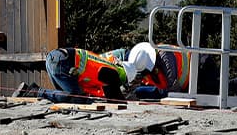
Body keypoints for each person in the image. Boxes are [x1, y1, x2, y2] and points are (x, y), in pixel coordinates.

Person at [23, 43, 151, 103]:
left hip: (56, 57)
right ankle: (35, 91)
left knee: (67, 97)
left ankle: (30, 91)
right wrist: (126, 102)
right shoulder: (113, 74)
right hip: (63, 62)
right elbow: (114, 97)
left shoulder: (108, 64)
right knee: (76, 97)